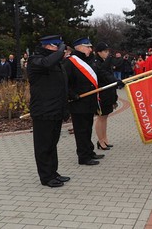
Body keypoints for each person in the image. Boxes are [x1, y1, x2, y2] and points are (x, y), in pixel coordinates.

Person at [27, 35, 70, 187]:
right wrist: (61, 50)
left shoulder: (57, 63)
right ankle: (46, 177)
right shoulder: (35, 60)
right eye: (56, 46)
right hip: (43, 111)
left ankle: (53, 172)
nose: (59, 50)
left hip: (56, 110)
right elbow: (47, 63)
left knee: (52, 144)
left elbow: (62, 86)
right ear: (48, 46)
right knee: (43, 146)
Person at [63, 37, 104, 166]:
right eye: (88, 47)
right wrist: (72, 95)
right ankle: (83, 157)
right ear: (79, 47)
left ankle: (89, 151)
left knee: (87, 129)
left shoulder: (87, 61)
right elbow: (64, 83)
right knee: (81, 131)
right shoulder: (70, 62)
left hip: (89, 102)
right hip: (78, 103)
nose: (90, 49)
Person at [93, 42, 122, 150]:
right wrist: (116, 81)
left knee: (105, 117)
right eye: (105, 51)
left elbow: (109, 74)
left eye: (107, 51)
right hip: (101, 94)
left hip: (108, 93)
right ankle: (100, 141)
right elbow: (103, 75)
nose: (107, 53)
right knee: (100, 117)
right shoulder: (96, 63)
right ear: (99, 52)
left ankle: (104, 139)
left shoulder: (105, 61)